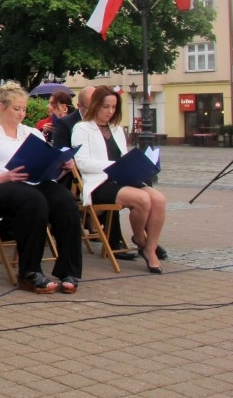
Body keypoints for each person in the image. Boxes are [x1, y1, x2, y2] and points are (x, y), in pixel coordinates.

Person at [0, 81, 83, 294]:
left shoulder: (31, 133)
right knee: (33, 201)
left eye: (24, 109)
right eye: (16, 109)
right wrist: (3, 177)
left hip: (33, 182)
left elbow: (46, 164)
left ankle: (69, 270)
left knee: (64, 200)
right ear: (2, 108)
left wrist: (62, 167)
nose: (21, 114)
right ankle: (30, 271)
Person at [71, 86, 167, 273]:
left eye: (113, 107)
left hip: (122, 178)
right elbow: (82, 163)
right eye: (106, 107)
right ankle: (140, 239)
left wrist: (134, 165)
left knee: (159, 199)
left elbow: (122, 156)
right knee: (142, 199)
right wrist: (113, 166)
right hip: (99, 183)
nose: (110, 111)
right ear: (96, 105)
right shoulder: (82, 128)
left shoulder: (116, 129)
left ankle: (150, 246)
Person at [53, 86, 141, 259]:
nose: (105, 110)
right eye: (99, 105)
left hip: (108, 172)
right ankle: (114, 239)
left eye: (111, 106)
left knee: (145, 185)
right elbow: (62, 153)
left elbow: (120, 152)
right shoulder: (70, 124)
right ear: (81, 105)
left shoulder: (112, 127)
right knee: (116, 189)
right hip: (74, 175)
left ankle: (144, 237)